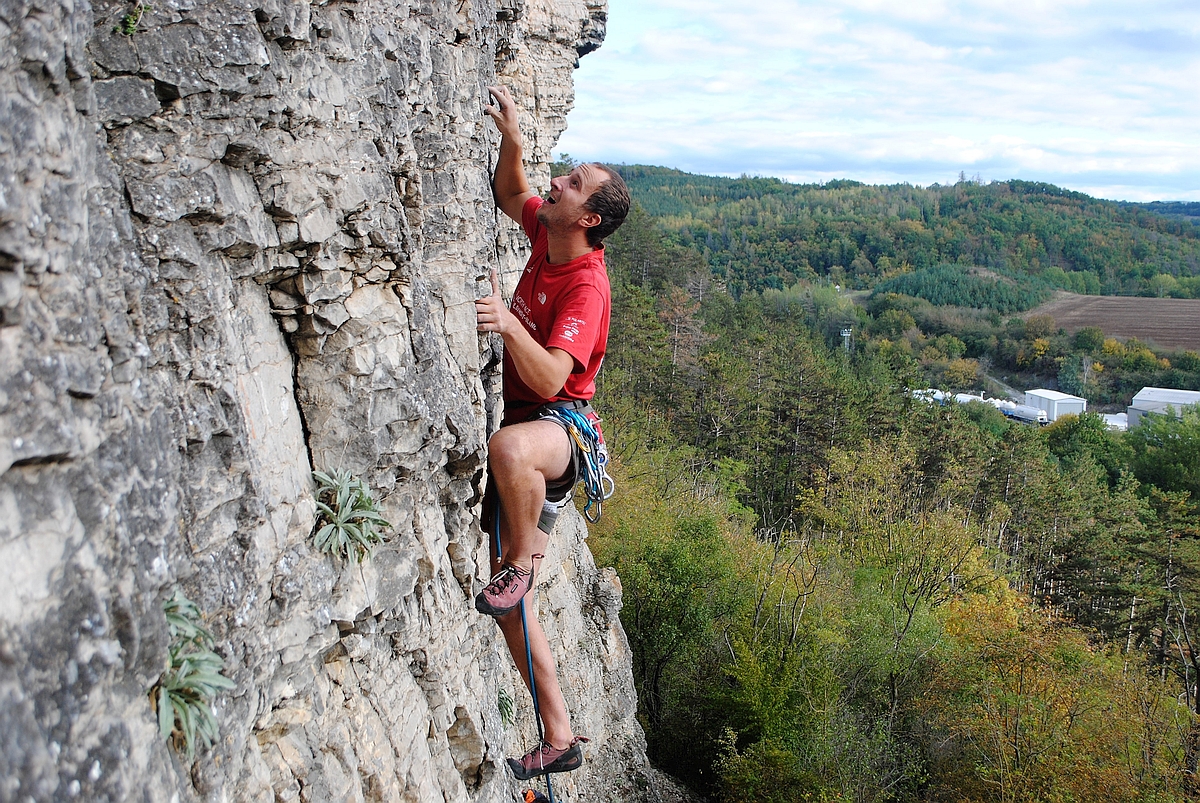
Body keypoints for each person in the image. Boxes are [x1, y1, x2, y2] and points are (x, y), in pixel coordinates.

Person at [474, 84, 629, 780]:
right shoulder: (548, 230)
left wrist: (508, 325)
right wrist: (512, 143)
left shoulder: (587, 287)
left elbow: (549, 379)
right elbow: (513, 196)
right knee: (513, 613)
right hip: (531, 423)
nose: (556, 182)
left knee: (508, 448)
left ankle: (522, 565)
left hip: (557, 433)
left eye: (571, 184)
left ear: (588, 216)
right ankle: (558, 732)